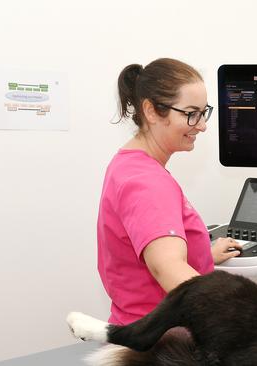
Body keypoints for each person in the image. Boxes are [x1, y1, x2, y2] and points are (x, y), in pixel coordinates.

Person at [97, 58, 242, 325]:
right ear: (151, 111)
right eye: (190, 113)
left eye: (203, 112)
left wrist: (205, 257)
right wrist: (241, 314)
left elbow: (151, 255)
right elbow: (167, 269)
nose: (202, 125)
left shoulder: (127, 163)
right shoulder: (147, 181)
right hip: (162, 342)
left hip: (136, 327)